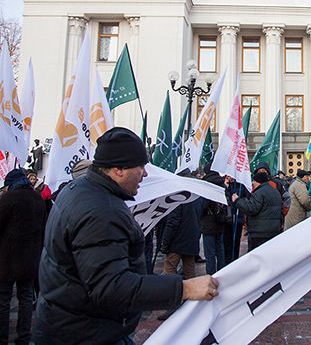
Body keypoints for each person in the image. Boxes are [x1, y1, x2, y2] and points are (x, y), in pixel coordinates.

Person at [33, 127, 217, 344]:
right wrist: (184, 288)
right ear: (118, 169)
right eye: (141, 166)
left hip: (75, 323)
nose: (145, 174)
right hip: (87, 332)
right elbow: (111, 287)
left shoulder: (81, 190)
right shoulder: (101, 210)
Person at [0, 169, 46, 345]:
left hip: (7, 260)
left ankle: (3, 338)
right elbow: (43, 226)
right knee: (26, 298)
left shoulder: (8, 199)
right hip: (30, 260)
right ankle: (24, 337)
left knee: (3, 300)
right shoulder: (37, 199)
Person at [160, 170, 202, 281]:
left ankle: (171, 295)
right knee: (190, 272)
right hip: (191, 239)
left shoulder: (178, 196)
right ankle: (191, 296)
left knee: (170, 269)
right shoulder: (197, 195)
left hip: (177, 241)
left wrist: (165, 242)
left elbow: (173, 222)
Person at [232, 171, 283, 251]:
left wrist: (238, 200)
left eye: (254, 181)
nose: (253, 184)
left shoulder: (259, 193)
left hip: (259, 232)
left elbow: (252, 209)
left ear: (258, 182)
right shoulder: (275, 191)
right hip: (273, 230)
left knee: (257, 258)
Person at [201, 169, 228, 275]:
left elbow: (203, 205)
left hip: (208, 221)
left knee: (209, 252)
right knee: (220, 249)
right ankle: (222, 272)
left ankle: (211, 274)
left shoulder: (205, 184)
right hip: (220, 221)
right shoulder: (222, 184)